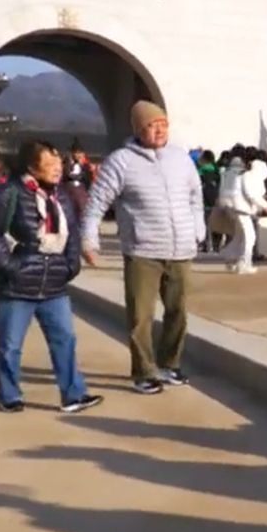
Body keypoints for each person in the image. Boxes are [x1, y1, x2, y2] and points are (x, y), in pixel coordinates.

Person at [80, 100, 205, 395]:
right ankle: (144, 371)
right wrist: (89, 237)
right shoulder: (120, 161)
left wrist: (198, 228)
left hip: (181, 251)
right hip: (143, 250)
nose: (159, 130)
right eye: (152, 125)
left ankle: (169, 364)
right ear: (138, 129)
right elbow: (97, 202)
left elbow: (195, 196)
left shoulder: (181, 159)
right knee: (141, 315)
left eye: (163, 123)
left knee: (178, 311)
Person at [0, 141, 103, 415]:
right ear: (32, 167)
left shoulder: (62, 196)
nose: (58, 170)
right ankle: (9, 395)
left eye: (59, 164)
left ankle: (73, 394)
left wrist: (71, 266)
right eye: (51, 165)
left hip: (54, 283)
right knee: (10, 345)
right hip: (15, 286)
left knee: (65, 339)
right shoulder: (8, 193)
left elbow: (72, 233)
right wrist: (11, 266)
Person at [218, 150, 267, 274]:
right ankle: (244, 263)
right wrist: (266, 206)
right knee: (249, 237)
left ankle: (231, 258)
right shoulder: (247, 176)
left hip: (233, 208)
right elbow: (252, 195)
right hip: (242, 209)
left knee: (239, 236)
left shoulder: (229, 174)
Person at [196, 150, 224, 253]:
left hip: (204, 201)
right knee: (216, 224)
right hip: (216, 200)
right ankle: (216, 246)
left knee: (204, 224)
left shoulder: (199, 171)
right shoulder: (217, 171)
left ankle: (205, 245)